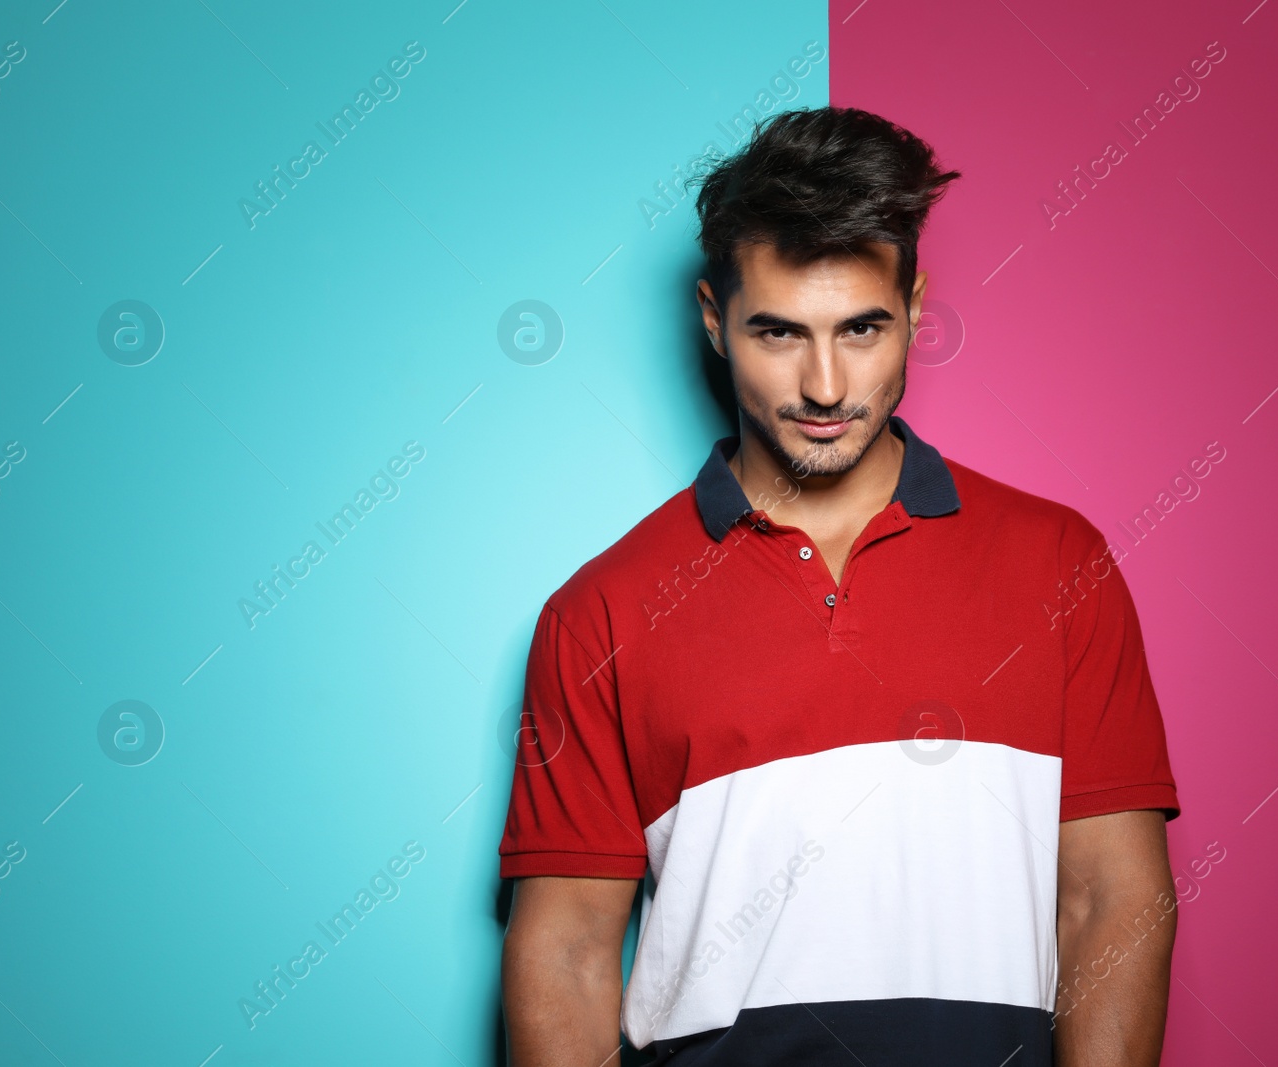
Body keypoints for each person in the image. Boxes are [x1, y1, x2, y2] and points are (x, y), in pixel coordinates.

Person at [498, 105, 1181, 1066]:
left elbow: (1112, 899)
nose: (825, 386)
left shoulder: (1061, 564)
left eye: (862, 328)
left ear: (914, 305)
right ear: (712, 318)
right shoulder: (599, 611)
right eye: (779, 333)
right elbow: (566, 948)